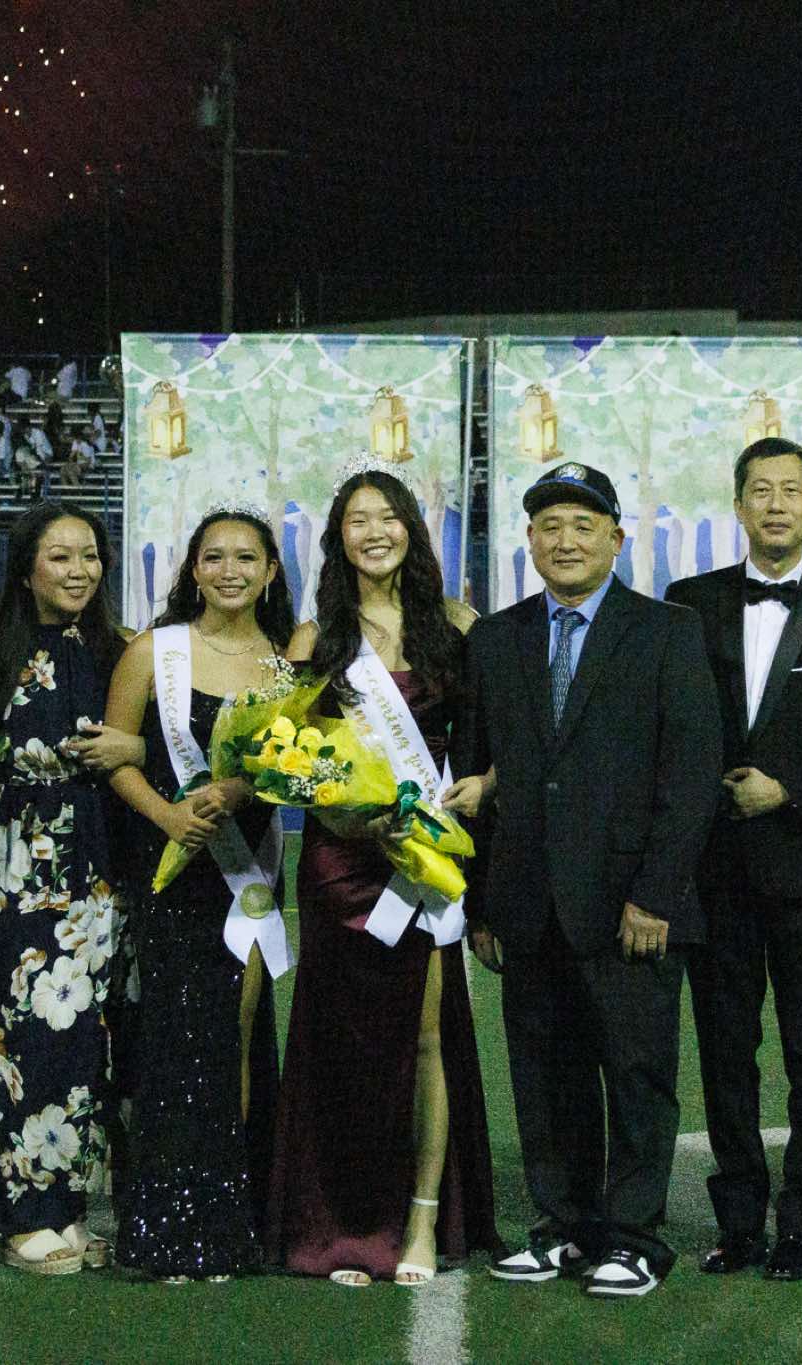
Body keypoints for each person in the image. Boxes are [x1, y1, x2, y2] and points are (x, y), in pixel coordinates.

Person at [463, 462, 721, 1300]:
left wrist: (656, 894)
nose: (566, 540)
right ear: (528, 540)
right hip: (527, 904)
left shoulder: (666, 631)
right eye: (550, 526)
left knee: (637, 1076)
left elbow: (691, 774)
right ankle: (563, 1226)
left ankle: (635, 1237)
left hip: (629, 907)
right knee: (546, 1076)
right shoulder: (496, 639)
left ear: (616, 538)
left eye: (583, 525)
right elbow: (479, 776)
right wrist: (482, 902)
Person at [268, 468, 502, 1288]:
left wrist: (485, 783)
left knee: (428, 1037)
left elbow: (504, 737)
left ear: (411, 528)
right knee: (343, 1042)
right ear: (337, 538)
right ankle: (342, 1223)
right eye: (357, 519)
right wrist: (339, 816)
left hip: (424, 859)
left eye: (388, 516)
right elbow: (278, 758)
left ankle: (424, 1218)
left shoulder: (459, 626)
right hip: (341, 862)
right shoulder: (312, 639)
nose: (375, 531)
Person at [666, 439, 802, 1283]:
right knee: (725, 1053)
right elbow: (678, 723)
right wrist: (733, 782)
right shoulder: (689, 604)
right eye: (761, 490)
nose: (777, 503)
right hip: (714, 870)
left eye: (792, 490)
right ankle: (739, 1224)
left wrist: (788, 786)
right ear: (739, 505)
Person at [0, 503, 139, 1275]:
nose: (78, 570)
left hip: (95, 869)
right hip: (11, 871)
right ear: (26, 569)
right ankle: (18, 1215)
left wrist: (135, 746)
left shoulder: (124, 652)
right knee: (13, 1037)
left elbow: (151, 752)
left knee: (84, 1040)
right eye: (60, 556)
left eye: (89, 555)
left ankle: (67, 1206)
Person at [103, 503, 292, 1282]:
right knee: (172, 1039)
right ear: (193, 568)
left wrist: (245, 788)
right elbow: (115, 758)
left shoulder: (286, 663)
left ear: (270, 571)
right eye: (214, 556)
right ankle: (164, 1224)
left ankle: (227, 1220)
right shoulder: (154, 650)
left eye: (246, 558)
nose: (230, 571)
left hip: (247, 877)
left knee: (235, 1037)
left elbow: (296, 766)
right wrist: (168, 815)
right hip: (170, 873)